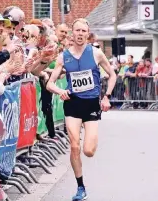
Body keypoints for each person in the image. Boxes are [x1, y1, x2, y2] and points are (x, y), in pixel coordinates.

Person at [46, 18, 116, 201]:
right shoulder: (64, 57)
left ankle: (90, 140)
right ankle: (80, 187)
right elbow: (49, 83)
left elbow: (112, 74)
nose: (80, 34)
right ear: (72, 33)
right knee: (74, 146)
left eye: (83, 31)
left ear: (87, 33)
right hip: (73, 103)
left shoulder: (96, 54)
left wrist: (107, 96)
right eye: (77, 30)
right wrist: (60, 91)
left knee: (89, 151)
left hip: (91, 104)